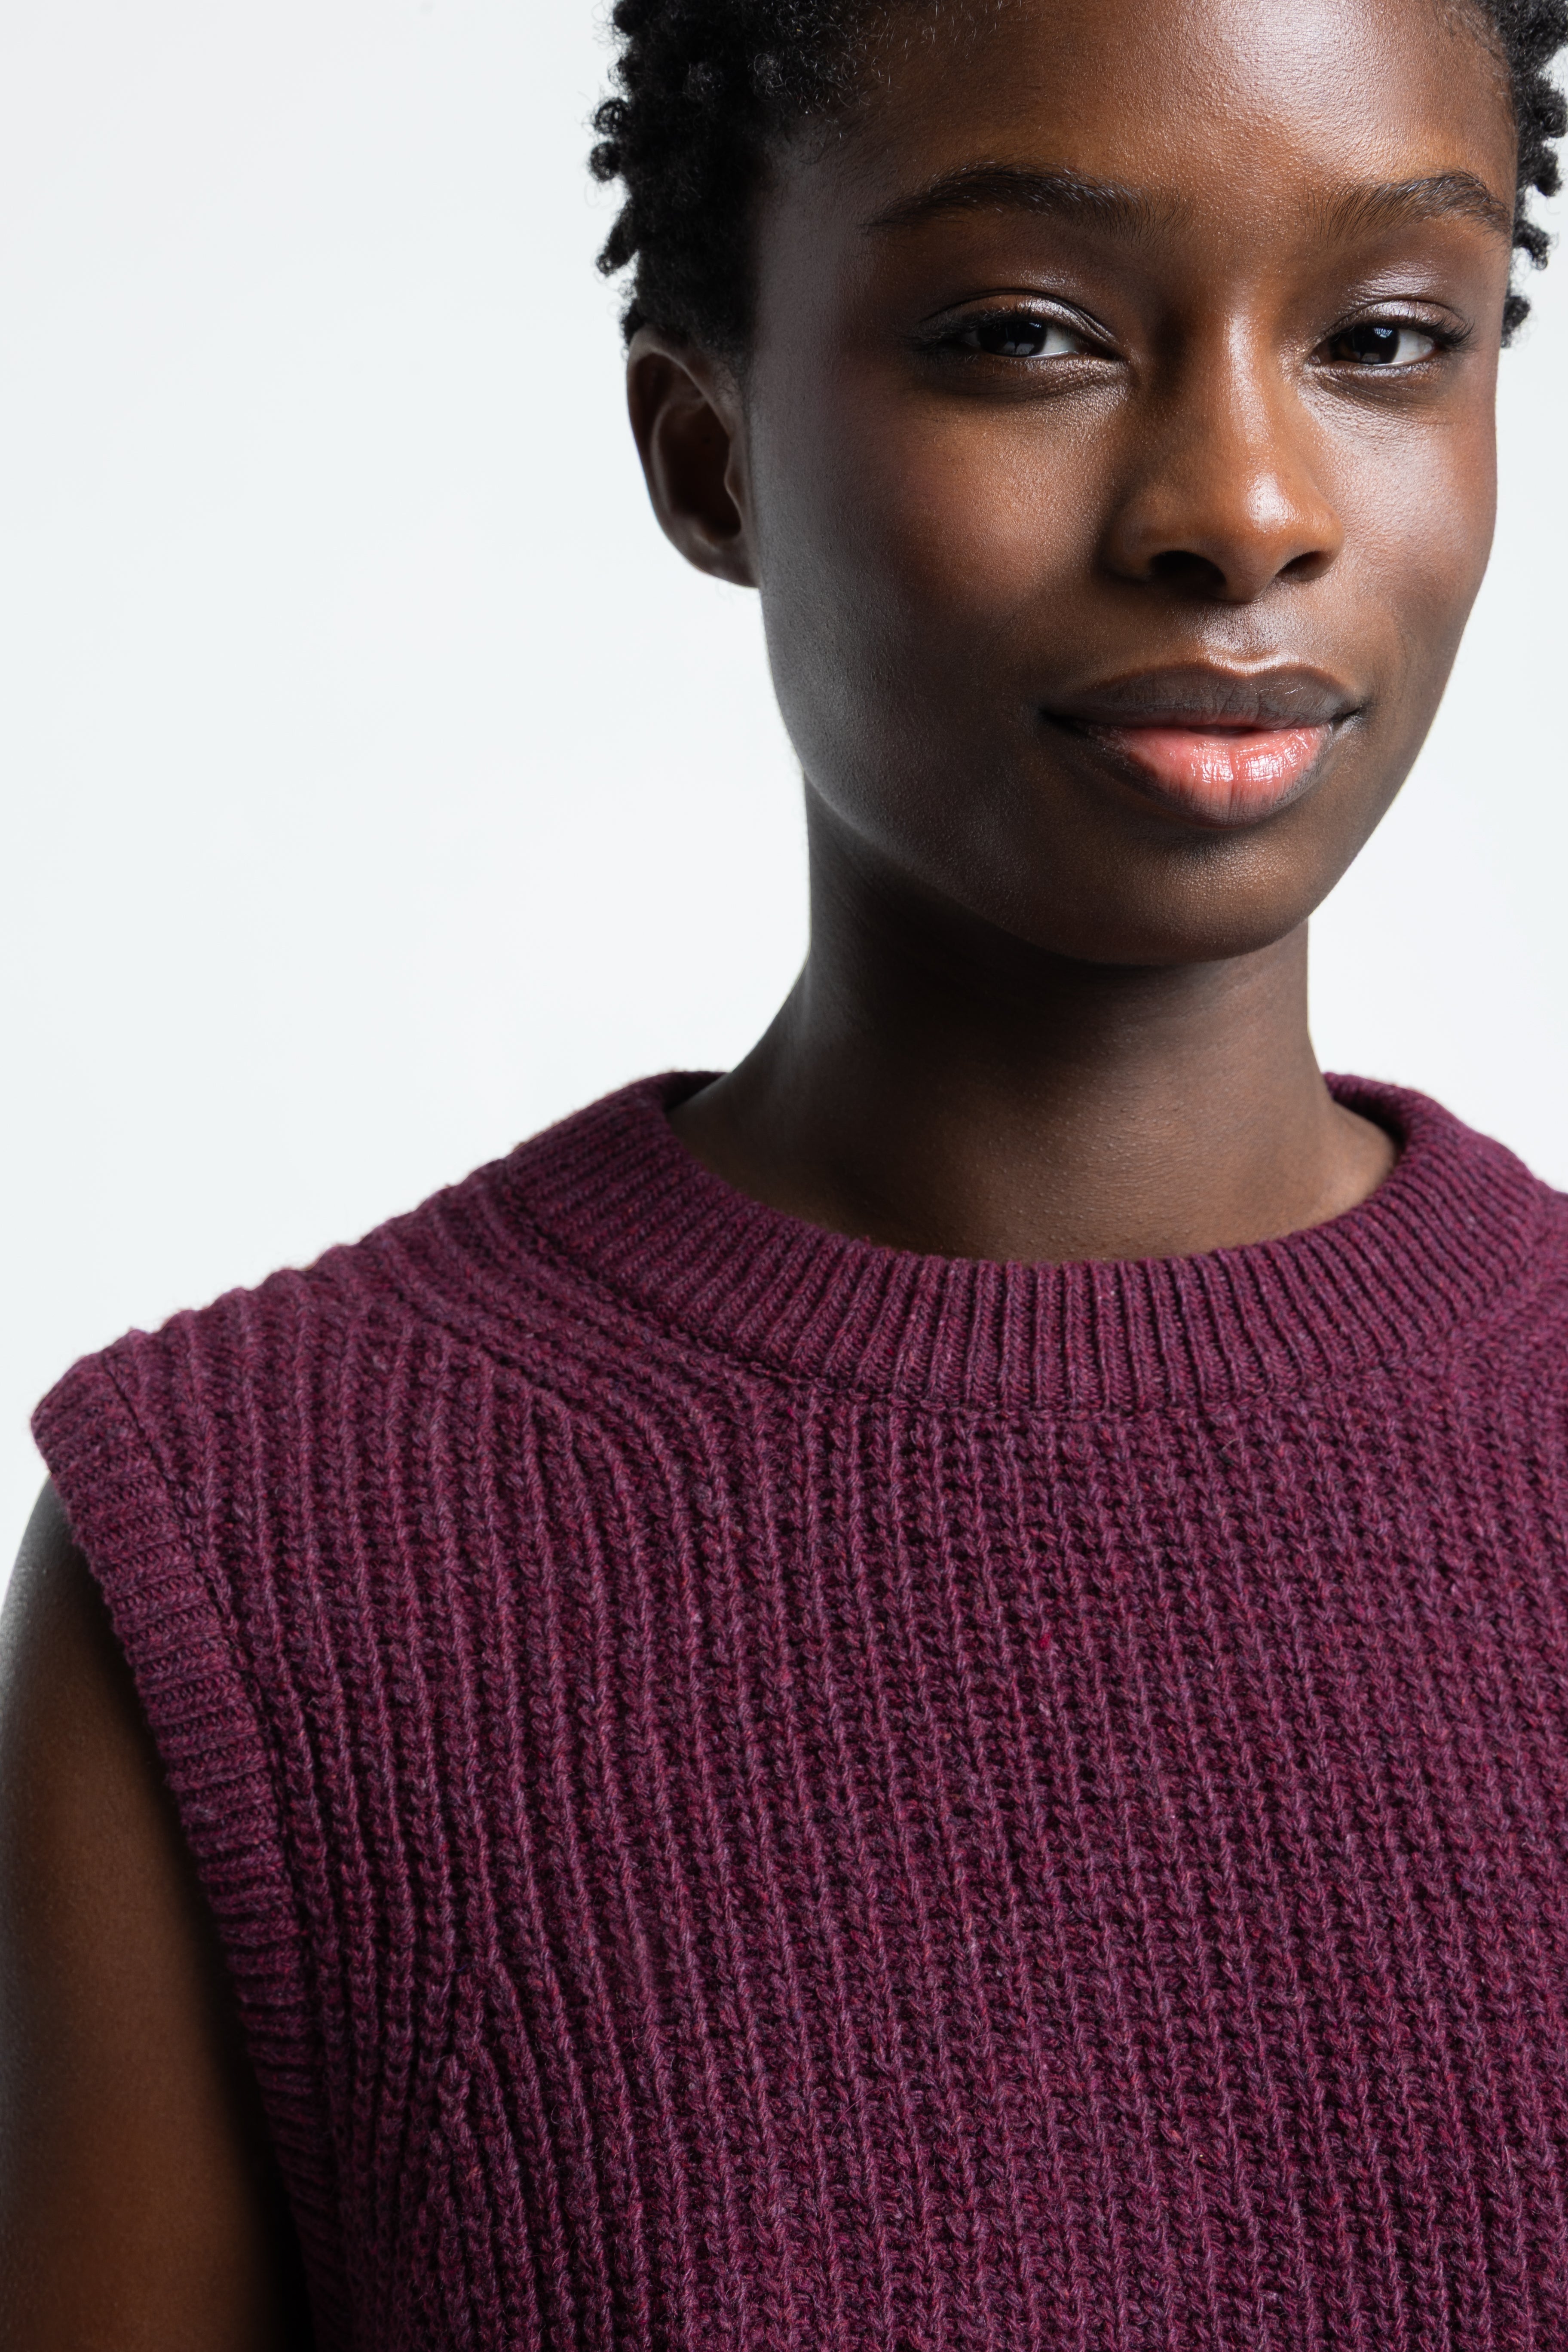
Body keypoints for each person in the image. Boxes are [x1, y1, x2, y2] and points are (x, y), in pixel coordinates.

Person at [4, 0, 1567, 2342]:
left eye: (1387, 338)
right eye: (1026, 333)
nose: (1247, 505)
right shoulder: (250, 1552)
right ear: (705, 450)